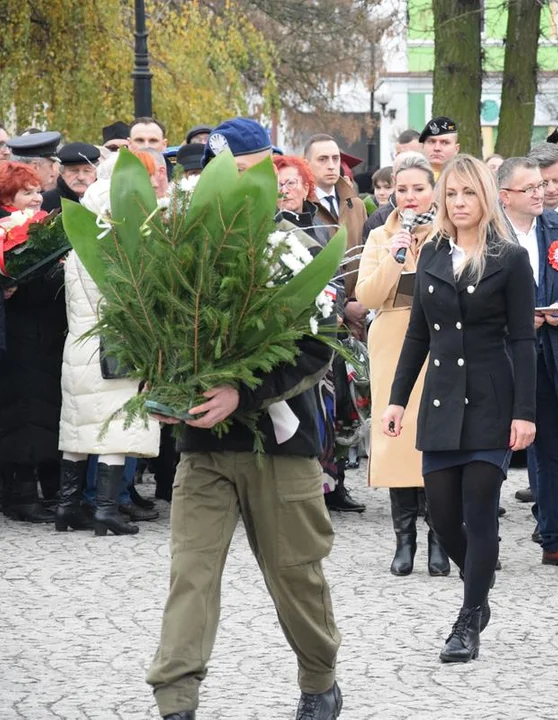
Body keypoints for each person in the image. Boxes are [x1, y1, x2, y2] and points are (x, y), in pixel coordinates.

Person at [146, 118, 344, 720]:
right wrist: (156, 372)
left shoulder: (293, 248)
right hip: (202, 444)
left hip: (279, 445)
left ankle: (319, 681)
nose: (229, 180)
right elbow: (144, 321)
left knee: (294, 575)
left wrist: (243, 391)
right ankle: (175, 700)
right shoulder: (183, 245)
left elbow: (319, 345)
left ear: (269, 165)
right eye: (217, 170)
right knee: (192, 573)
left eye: (244, 168)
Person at [382, 153, 536, 663]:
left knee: (479, 513)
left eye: (469, 193)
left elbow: (522, 340)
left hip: (492, 401)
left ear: (486, 198)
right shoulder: (431, 255)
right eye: (452, 194)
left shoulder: (510, 259)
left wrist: (525, 412)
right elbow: (417, 335)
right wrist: (397, 400)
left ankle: (468, 619)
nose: (460, 202)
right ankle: (480, 588)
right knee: (443, 519)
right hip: (443, 402)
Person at [497, 156, 558, 569]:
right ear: (505, 196)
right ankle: (482, 542)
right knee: (493, 450)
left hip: (551, 349)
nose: (541, 193)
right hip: (501, 355)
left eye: (541, 185)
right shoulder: (488, 233)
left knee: (554, 448)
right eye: (530, 188)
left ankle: (556, 540)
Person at [57, 152, 162, 536]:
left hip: (80, 346)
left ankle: (67, 508)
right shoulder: (117, 246)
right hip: (115, 346)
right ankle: (105, 510)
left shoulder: (79, 243)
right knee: (116, 427)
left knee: (79, 427)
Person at [356, 153, 450, 577]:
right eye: (403, 189)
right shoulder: (380, 235)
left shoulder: (449, 230)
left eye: (419, 188)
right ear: (392, 190)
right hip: (393, 337)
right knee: (396, 436)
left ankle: (438, 536)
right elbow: (368, 296)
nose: (410, 197)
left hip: (440, 338)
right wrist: (395, 258)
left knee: (435, 435)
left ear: (433, 190)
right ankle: (404, 538)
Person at [0, 161, 63, 524]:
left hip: (44, 331)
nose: (36, 197)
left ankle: (42, 488)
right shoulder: (9, 229)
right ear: (9, 196)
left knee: (41, 410)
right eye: (27, 192)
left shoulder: (39, 226)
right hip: (20, 333)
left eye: (38, 190)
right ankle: (21, 493)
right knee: (21, 413)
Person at [303, 133, 369, 350]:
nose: (331, 165)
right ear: (307, 164)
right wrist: (342, 307)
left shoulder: (355, 205)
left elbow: (366, 257)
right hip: (321, 317)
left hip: (360, 313)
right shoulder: (303, 207)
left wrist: (361, 302)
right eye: (322, 159)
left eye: (335, 159)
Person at [274, 155, 330, 244]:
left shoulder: (320, 227)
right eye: (278, 185)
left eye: (291, 183)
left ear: (305, 189)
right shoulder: (267, 230)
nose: (284, 191)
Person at [42, 142, 99, 211]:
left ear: (96, 173)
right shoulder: (45, 202)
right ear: (62, 172)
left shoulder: (106, 200)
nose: (81, 177)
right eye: (74, 171)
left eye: (87, 171)